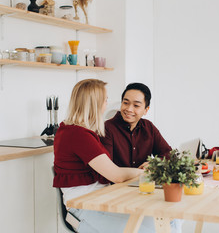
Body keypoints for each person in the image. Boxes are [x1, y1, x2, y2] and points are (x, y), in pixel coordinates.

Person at [53, 79, 155, 233]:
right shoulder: (78, 134)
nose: (107, 104)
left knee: (162, 222)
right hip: (84, 208)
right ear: (96, 103)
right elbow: (116, 176)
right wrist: (145, 172)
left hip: (99, 200)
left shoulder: (73, 130)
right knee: (150, 229)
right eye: (105, 100)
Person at [100, 83, 171, 169]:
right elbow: (106, 167)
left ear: (146, 110)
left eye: (136, 105)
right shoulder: (107, 128)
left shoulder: (149, 127)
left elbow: (168, 154)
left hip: (143, 181)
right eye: (126, 103)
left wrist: (154, 163)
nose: (129, 109)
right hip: (119, 182)